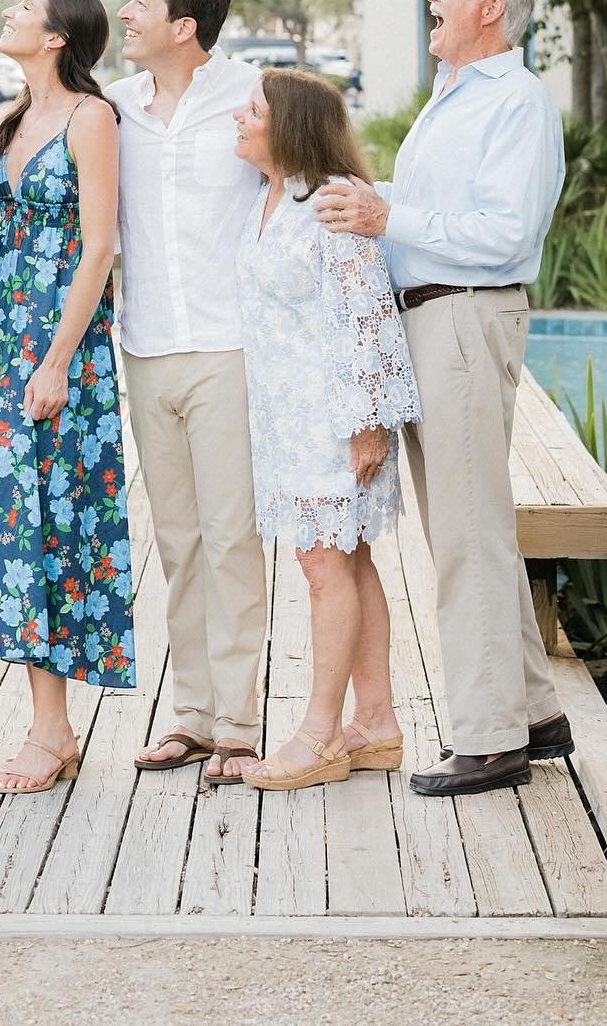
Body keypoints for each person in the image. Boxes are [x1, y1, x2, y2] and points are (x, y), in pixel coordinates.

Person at [316, 0, 570, 798]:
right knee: (465, 523)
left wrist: (387, 212)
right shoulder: (455, 97)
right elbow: (438, 216)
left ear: (489, 8)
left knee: (467, 534)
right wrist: (366, 202)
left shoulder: (518, 104)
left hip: (465, 312)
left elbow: (503, 234)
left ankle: (491, 739)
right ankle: (534, 711)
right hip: (431, 317)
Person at [0, 0, 133, 794]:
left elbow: (97, 246)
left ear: (58, 36)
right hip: (2, 335)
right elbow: (32, 230)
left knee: (51, 524)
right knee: (11, 523)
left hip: (55, 344)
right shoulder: (16, 117)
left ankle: (52, 730)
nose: (11, 13)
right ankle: (46, 723)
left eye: (24, 6)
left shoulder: (89, 118)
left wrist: (60, 359)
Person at [232, 70, 420, 791]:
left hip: (336, 416)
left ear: (291, 125)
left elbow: (369, 314)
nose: (240, 121)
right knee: (348, 559)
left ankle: (319, 736)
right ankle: (376, 723)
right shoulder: (267, 198)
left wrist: (370, 425)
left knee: (322, 568)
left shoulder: (330, 200)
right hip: (286, 418)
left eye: (252, 112)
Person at [108, 0, 267, 784]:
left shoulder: (253, 96)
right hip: (146, 347)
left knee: (232, 537)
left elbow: (302, 191)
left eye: (140, 5)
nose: (123, 15)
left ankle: (239, 726)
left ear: (184, 27)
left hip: (231, 347)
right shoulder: (117, 106)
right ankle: (193, 718)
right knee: (177, 541)